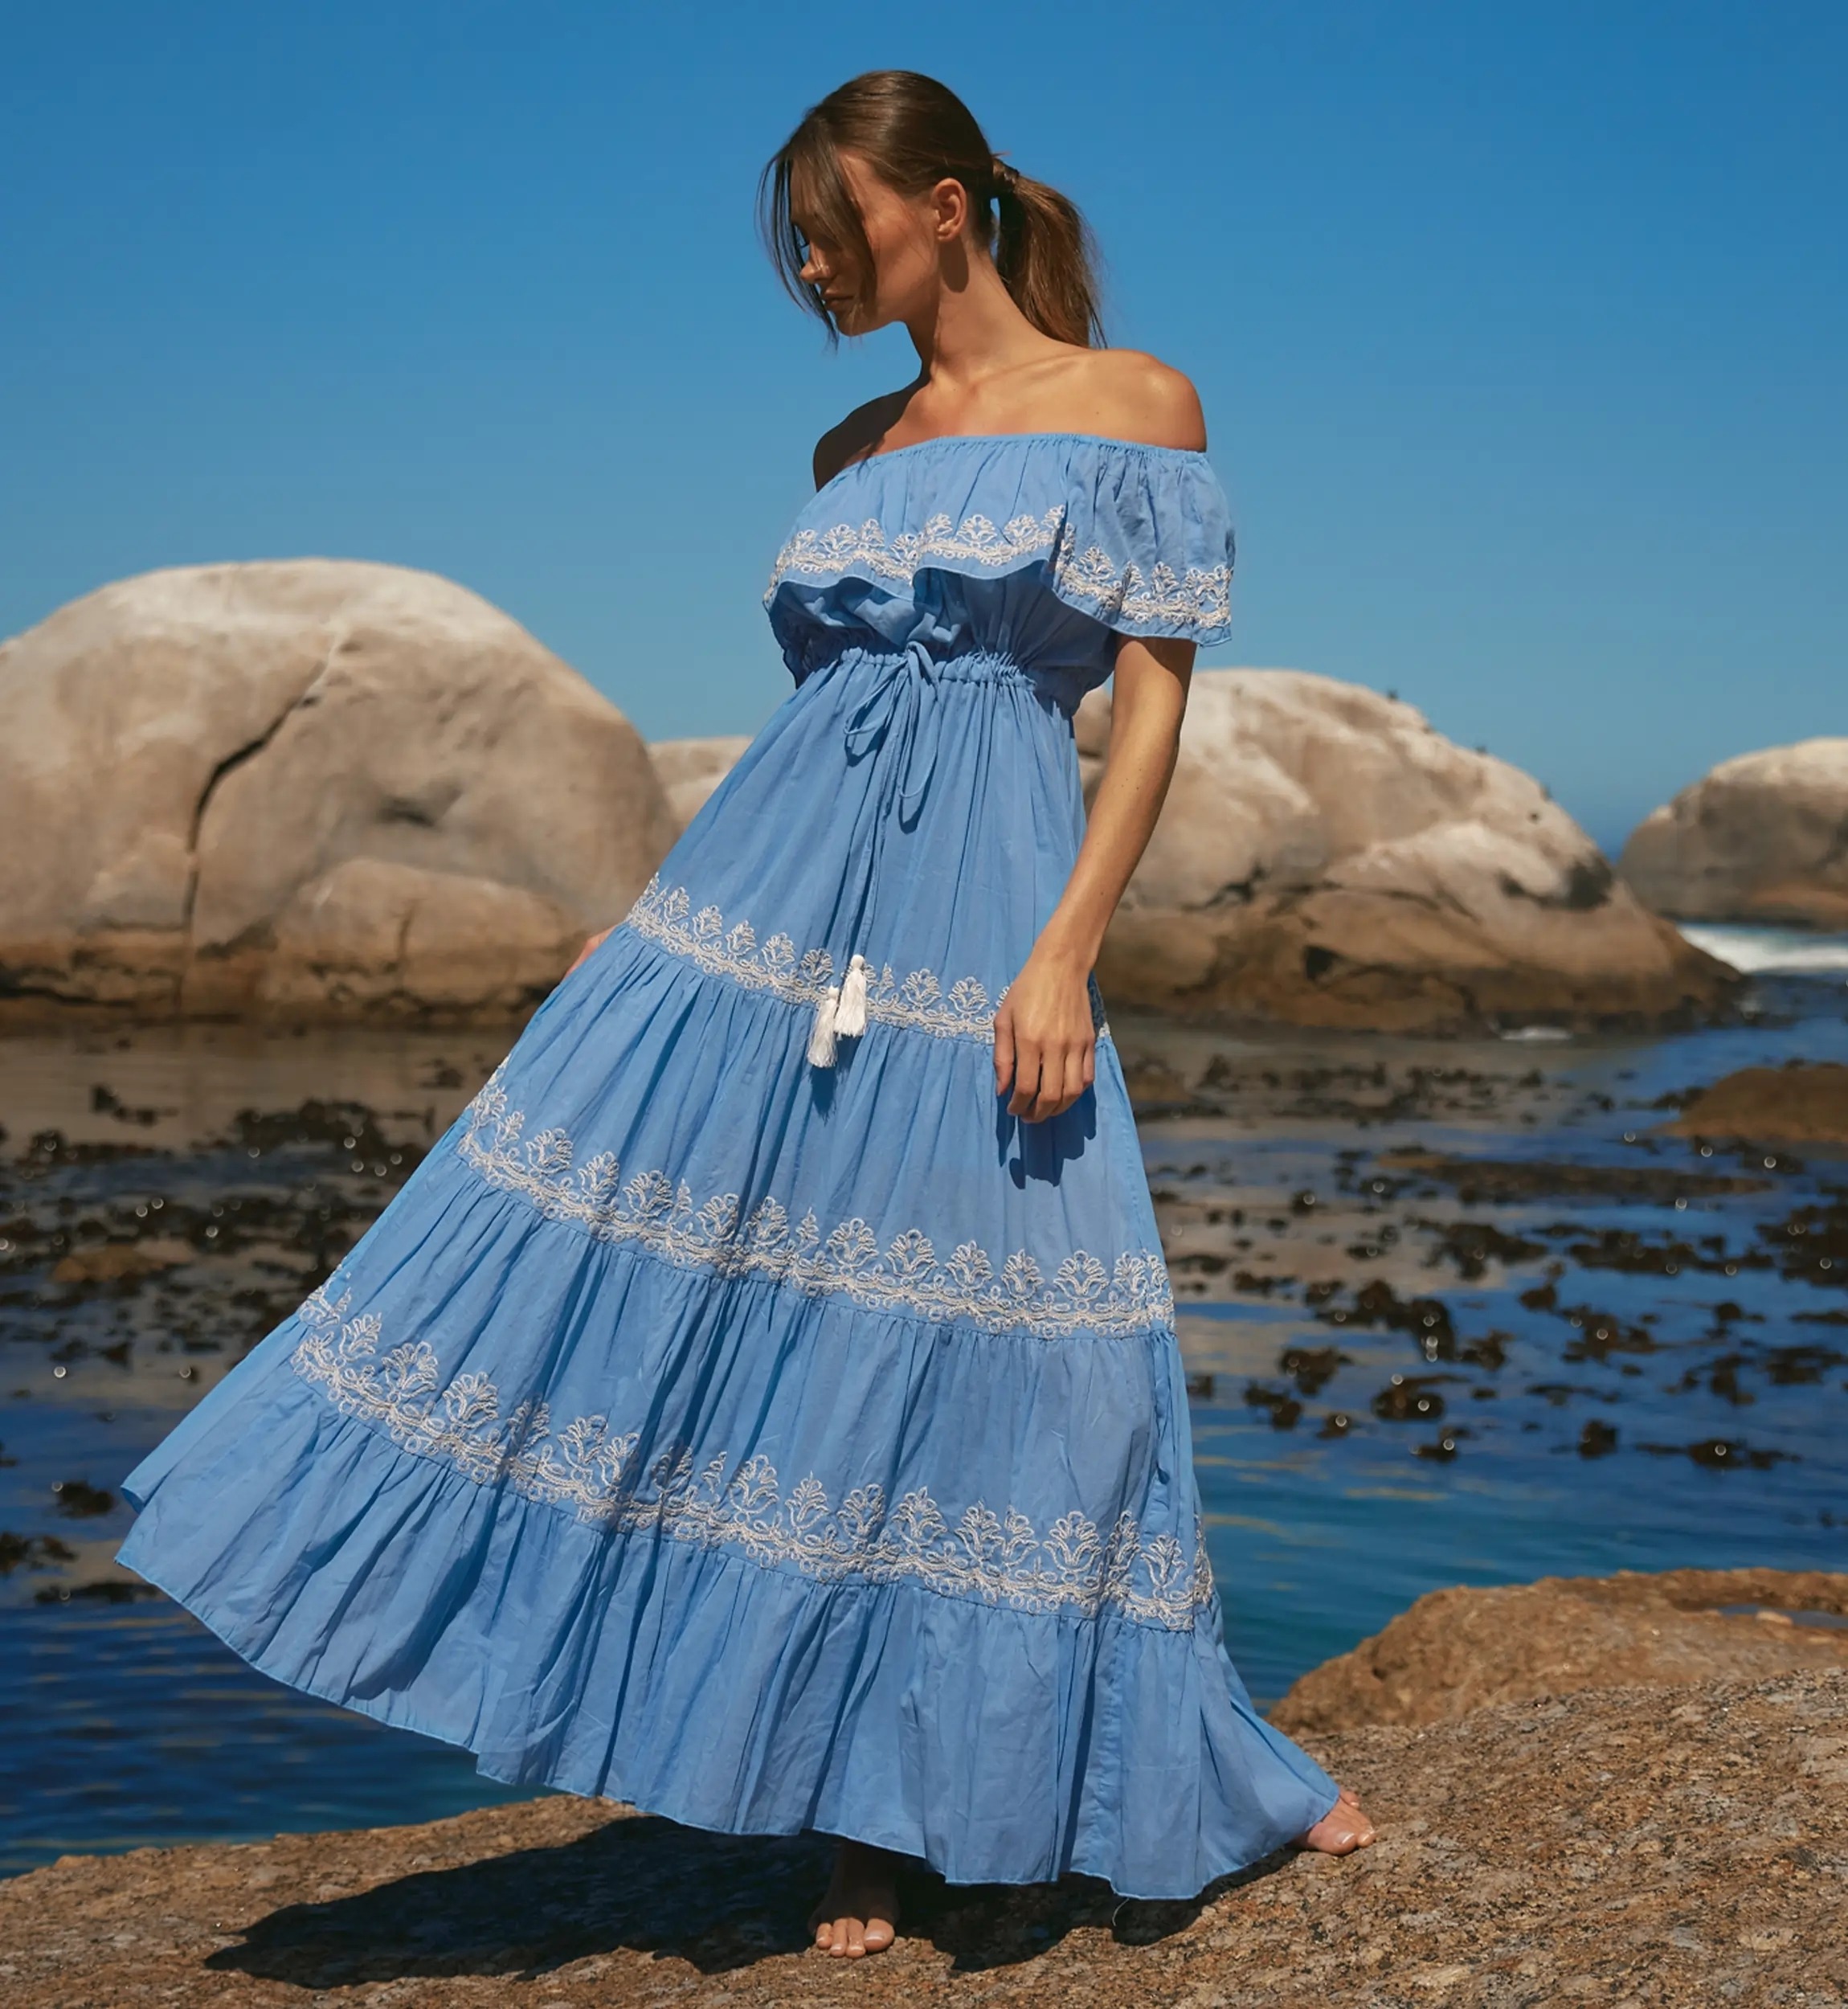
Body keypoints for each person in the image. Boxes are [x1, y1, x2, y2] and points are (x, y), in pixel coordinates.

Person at [117, 67, 1376, 1966]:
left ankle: (1147, 1759)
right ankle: (848, 1821)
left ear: (946, 205)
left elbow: (1152, 706)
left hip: (992, 910)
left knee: (1046, 1342)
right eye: (792, 235)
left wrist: (1064, 948)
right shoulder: (846, 448)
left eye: (833, 222)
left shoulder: (1135, 406)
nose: (806, 261)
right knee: (756, 1314)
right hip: (761, 911)